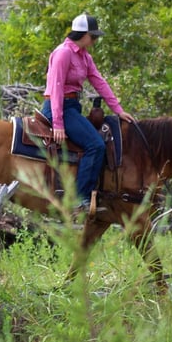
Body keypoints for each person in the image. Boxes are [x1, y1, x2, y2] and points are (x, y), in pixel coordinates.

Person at [41, 13, 135, 212]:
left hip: (72, 107)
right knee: (95, 145)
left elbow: (99, 82)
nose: (95, 40)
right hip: (59, 107)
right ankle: (79, 199)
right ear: (82, 34)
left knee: (95, 142)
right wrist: (57, 123)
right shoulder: (63, 53)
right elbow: (56, 88)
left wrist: (118, 110)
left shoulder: (84, 56)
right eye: (93, 36)